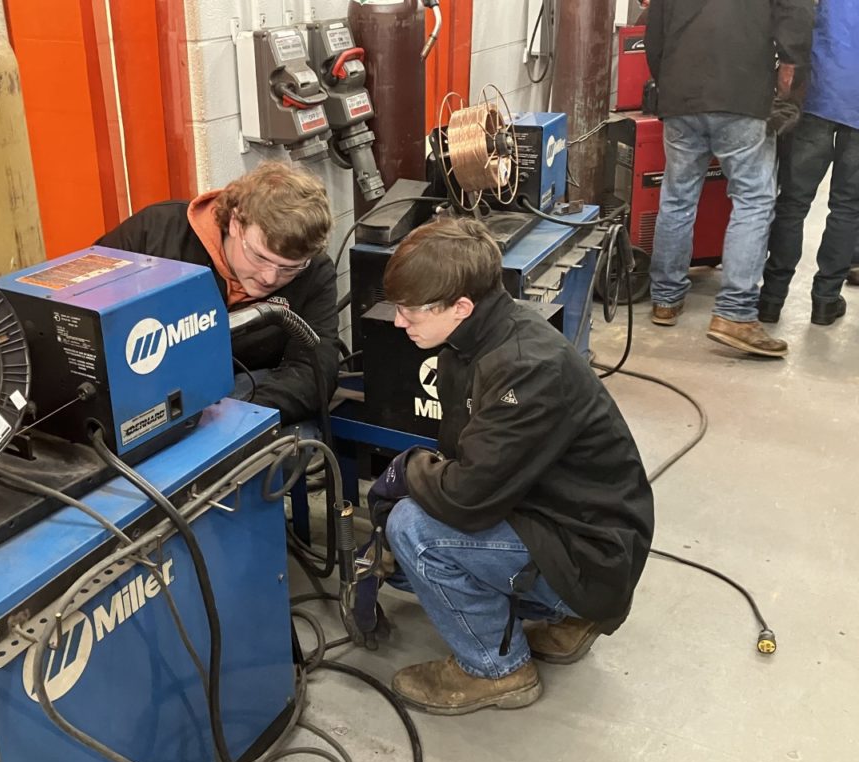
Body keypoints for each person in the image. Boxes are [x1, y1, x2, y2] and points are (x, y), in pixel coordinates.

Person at [368, 218, 654, 715]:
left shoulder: (525, 366)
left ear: (460, 306)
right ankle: (568, 617)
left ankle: (497, 669)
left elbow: (464, 498)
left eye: (410, 311)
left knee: (413, 530)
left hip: (595, 554)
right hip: (570, 524)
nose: (398, 322)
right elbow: (468, 456)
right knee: (410, 545)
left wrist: (406, 471)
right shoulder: (481, 336)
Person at [97, 161, 338, 425]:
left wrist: (240, 420)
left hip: (245, 395)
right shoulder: (154, 235)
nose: (270, 277)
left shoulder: (315, 271)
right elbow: (78, 307)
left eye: (288, 268)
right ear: (236, 222)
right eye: (259, 257)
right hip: (139, 395)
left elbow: (315, 372)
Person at [644, 0, 814, 356]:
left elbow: (655, 31)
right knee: (753, 200)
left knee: (677, 197)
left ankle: (665, 299)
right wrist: (790, 78)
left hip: (680, 93)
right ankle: (735, 313)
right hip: (741, 91)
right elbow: (795, 16)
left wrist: (668, 84)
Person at [759, 0, 859, 328]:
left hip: (817, 98)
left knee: (792, 202)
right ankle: (825, 301)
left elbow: (797, 22)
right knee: (847, 208)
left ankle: (772, 299)